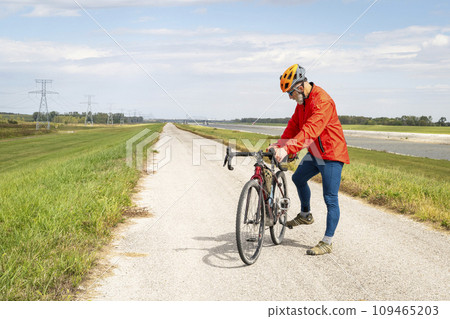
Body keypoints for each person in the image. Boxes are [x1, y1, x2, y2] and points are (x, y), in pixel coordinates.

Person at [268, 64, 350, 255]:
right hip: (315, 153)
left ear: (299, 86)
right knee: (298, 178)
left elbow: (310, 131)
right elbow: (294, 126)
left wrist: (289, 148)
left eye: (290, 92)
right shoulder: (302, 104)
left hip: (331, 154)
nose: (289, 97)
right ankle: (305, 215)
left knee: (330, 198)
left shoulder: (322, 101)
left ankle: (327, 242)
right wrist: (280, 146)